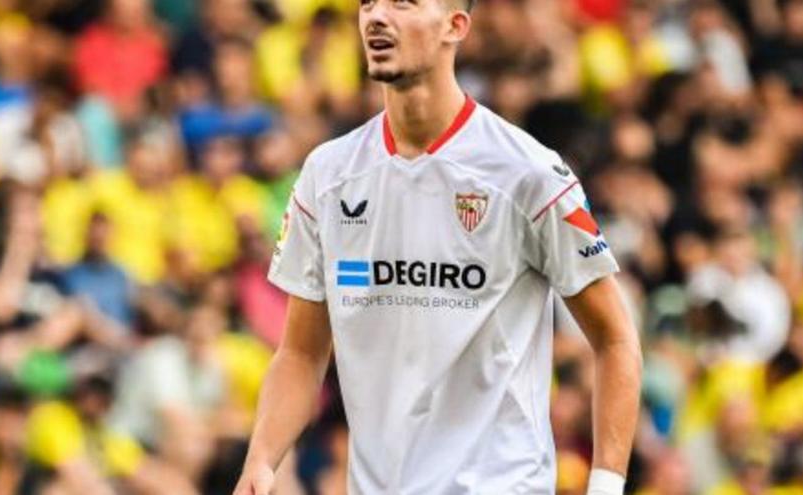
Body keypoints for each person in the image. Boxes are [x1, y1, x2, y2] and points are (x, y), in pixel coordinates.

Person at [234, 1, 642, 494]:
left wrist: (605, 485)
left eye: (402, 2)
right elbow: (300, 353)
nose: (377, 17)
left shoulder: (528, 174)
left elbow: (616, 340)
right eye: (368, 3)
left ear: (456, 25)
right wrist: (261, 461)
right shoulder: (328, 175)